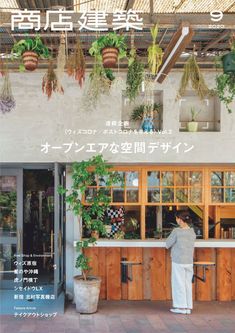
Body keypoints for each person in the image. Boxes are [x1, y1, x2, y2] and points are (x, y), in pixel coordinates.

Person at [166, 210, 196, 314]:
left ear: (180, 219)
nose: (176, 220)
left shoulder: (176, 231)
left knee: (178, 284)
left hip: (178, 261)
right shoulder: (192, 232)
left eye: (176, 218)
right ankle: (188, 307)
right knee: (187, 284)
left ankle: (180, 307)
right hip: (189, 261)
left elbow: (167, 244)